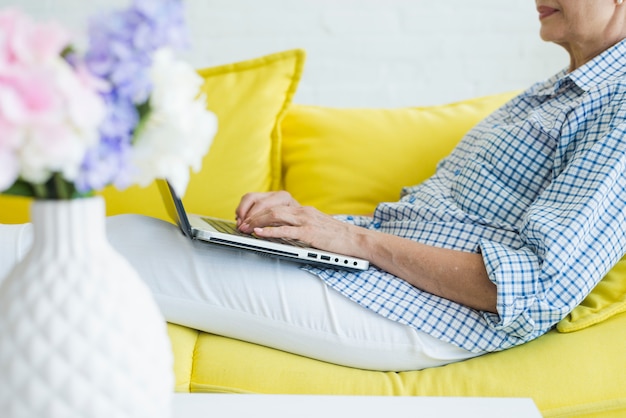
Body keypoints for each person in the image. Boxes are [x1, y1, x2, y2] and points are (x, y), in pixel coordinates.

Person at [2, 0, 626, 371]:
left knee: (120, 249)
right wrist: (309, 227)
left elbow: (534, 286)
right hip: (380, 276)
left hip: (429, 314)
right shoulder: (552, 93)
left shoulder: (619, 106)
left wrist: (352, 241)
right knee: (130, 240)